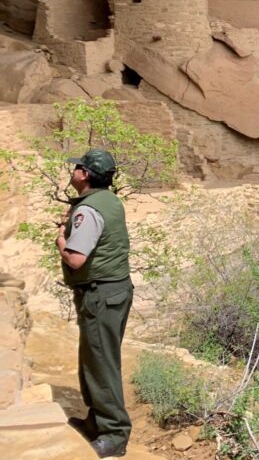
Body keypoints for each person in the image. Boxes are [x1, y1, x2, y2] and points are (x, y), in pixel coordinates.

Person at [55, 148, 133, 458]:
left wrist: (62, 241)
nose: (73, 170)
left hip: (101, 294)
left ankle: (115, 434)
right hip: (112, 291)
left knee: (101, 363)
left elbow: (76, 259)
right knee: (95, 358)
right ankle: (97, 422)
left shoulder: (88, 210)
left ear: (85, 175)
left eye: (77, 167)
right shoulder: (110, 200)